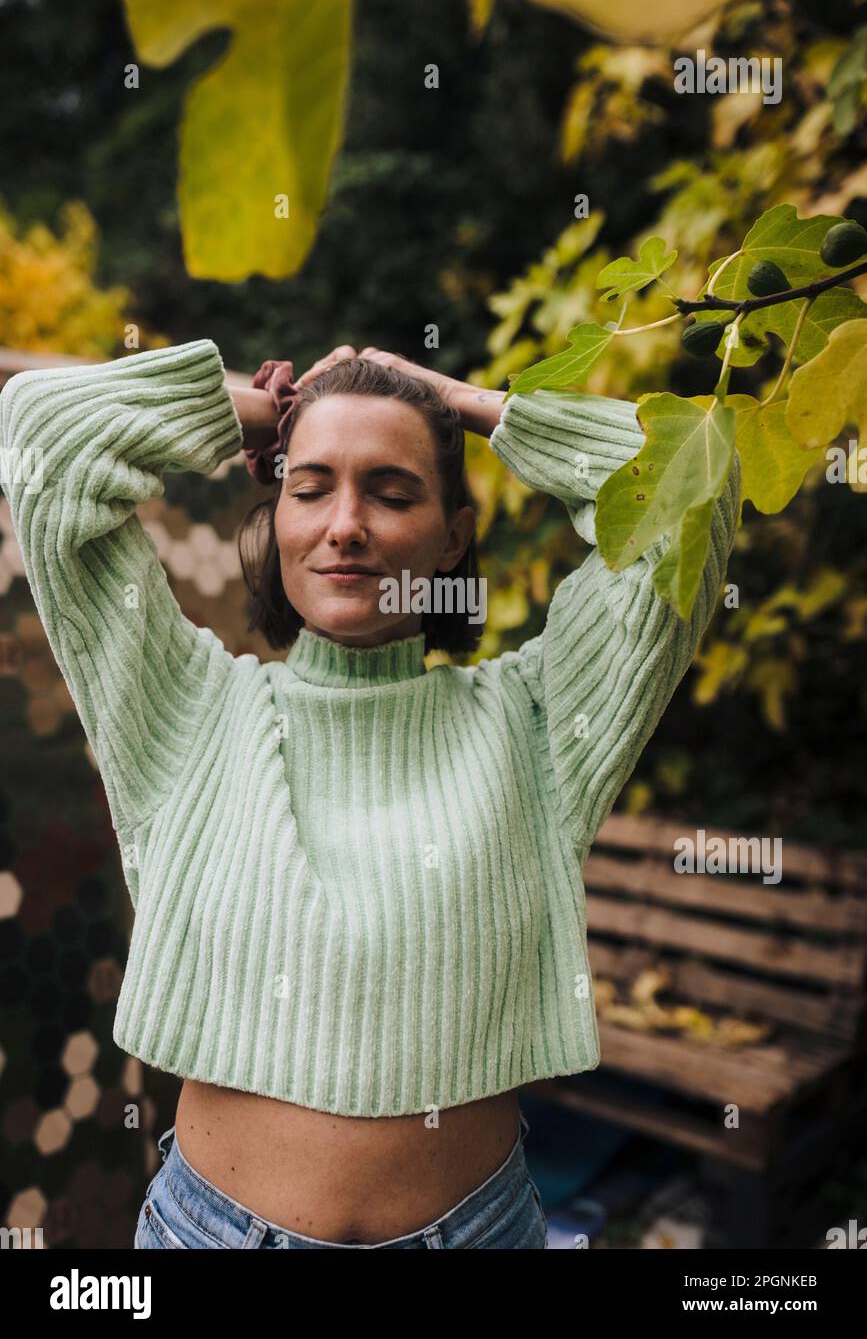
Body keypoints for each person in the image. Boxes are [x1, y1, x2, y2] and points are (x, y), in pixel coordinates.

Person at [0, 338, 741, 1250]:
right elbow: (42, 435)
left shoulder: (536, 726)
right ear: (275, 517)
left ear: (453, 535)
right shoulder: (183, 711)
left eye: (392, 492)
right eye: (308, 489)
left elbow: (689, 493)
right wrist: (270, 410)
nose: (344, 524)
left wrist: (450, 401)